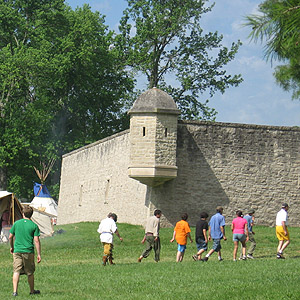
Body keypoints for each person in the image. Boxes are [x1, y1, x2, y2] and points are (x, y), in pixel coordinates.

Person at [8, 205, 41, 297]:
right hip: (28, 251)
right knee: (30, 272)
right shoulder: (34, 226)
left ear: (23, 214)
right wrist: (39, 254)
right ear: (31, 215)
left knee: (16, 271)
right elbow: (36, 240)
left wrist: (12, 247)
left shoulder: (16, 223)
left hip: (17, 250)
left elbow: (10, 237)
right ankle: (32, 291)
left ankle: (15, 292)